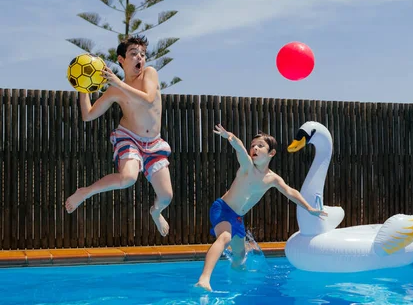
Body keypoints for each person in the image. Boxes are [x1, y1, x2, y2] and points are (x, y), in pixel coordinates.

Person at [196, 124, 327, 291]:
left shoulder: (272, 178)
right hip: (223, 209)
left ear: (271, 153)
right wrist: (230, 137)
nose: (254, 148)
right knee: (224, 238)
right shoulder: (247, 167)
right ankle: (204, 279)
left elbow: (290, 191)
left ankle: (236, 284)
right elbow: (241, 149)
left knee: (240, 256)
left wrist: (309, 208)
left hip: (237, 217)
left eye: (260, 146)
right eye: (253, 146)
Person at [64, 35, 173, 237]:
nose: (139, 57)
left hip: (154, 144)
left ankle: (156, 212)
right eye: (133, 54)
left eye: (142, 54)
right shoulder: (115, 90)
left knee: (166, 196)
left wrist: (117, 83)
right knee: (128, 178)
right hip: (129, 137)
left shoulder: (149, 74)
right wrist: (83, 88)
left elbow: (149, 100)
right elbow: (88, 115)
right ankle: (85, 192)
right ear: (121, 60)